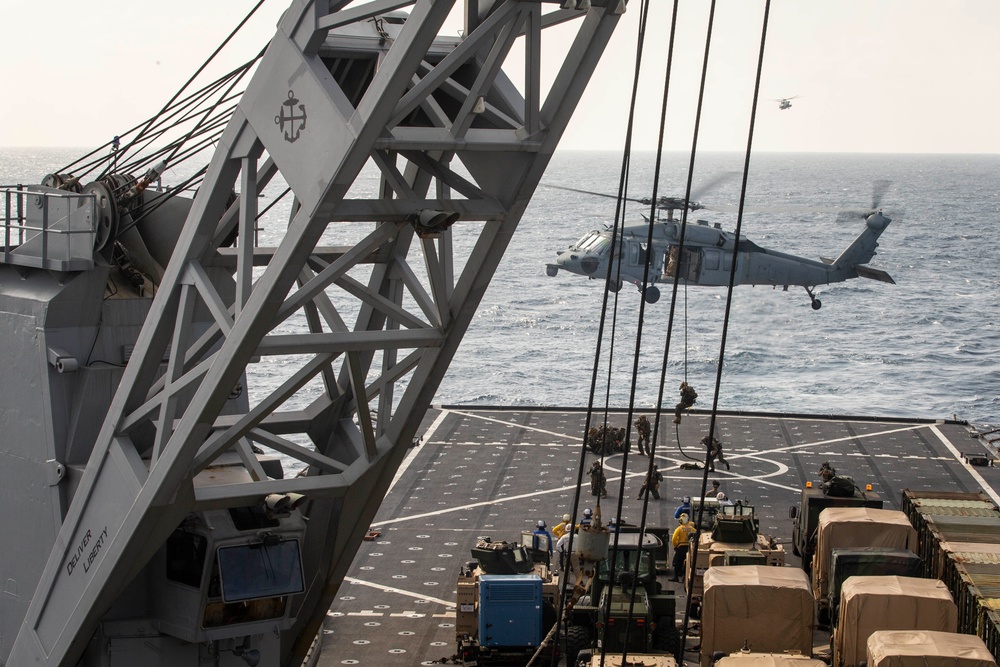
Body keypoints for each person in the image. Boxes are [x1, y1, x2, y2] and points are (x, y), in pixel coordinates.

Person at [670, 513, 696, 582]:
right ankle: (685, 577)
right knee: (688, 563)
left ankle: (676, 577)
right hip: (689, 548)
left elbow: (674, 539)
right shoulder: (692, 529)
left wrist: (675, 546)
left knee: (676, 562)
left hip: (681, 547)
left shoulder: (679, 529)